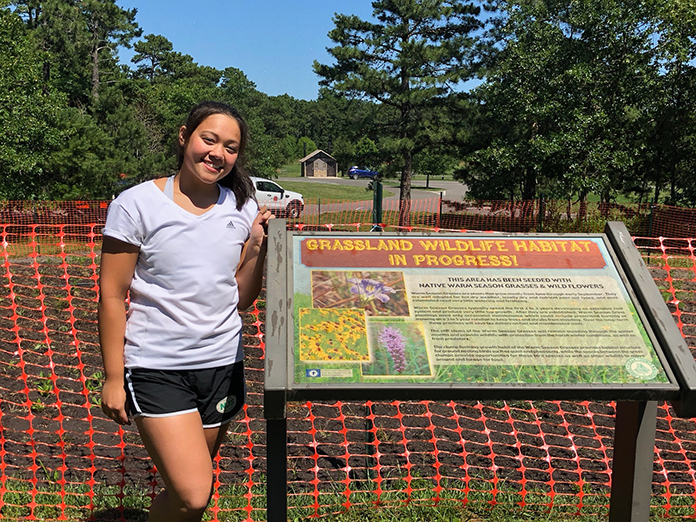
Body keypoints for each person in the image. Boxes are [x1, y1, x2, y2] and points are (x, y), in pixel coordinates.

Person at [98, 101, 272, 522]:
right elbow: (110, 293)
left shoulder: (241, 206)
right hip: (158, 366)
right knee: (194, 493)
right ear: (184, 137)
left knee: (190, 494)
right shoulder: (137, 204)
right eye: (208, 139)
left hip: (222, 366)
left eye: (230, 147)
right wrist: (112, 377)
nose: (218, 154)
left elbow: (242, 297)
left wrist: (254, 249)